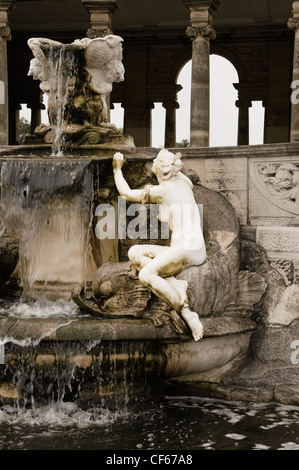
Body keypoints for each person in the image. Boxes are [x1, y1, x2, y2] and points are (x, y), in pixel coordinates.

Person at [113, 149, 207, 341]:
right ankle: (174, 284)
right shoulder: (183, 183)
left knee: (146, 274)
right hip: (184, 248)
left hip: (189, 248)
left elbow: (126, 193)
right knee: (135, 253)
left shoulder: (164, 190)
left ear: (159, 168)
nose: (152, 165)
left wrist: (117, 169)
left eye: (155, 163)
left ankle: (186, 311)